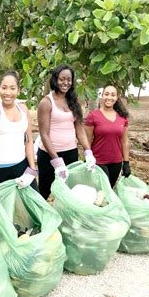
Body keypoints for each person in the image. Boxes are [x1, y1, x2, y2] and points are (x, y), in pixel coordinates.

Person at [37, 64, 96, 200]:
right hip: (49, 156)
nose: (66, 83)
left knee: (68, 192)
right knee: (44, 192)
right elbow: (44, 134)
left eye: (69, 79)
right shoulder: (46, 102)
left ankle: (64, 219)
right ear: (55, 80)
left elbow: (79, 128)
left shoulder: (73, 101)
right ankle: (39, 220)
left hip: (70, 153)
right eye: (62, 79)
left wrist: (88, 151)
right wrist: (57, 161)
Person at [0, 71, 38, 192]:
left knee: (32, 207)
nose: (8, 93)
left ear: (18, 90)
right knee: (1, 210)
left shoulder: (23, 109)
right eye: (4, 88)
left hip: (21, 166)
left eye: (12, 88)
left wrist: (32, 169)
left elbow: (28, 141)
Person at [84, 85, 130, 188]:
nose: (109, 97)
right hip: (98, 161)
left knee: (109, 191)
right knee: (102, 191)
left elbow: (125, 141)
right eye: (106, 94)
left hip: (116, 162)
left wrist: (126, 163)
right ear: (102, 95)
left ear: (117, 97)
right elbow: (87, 140)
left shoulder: (123, 117)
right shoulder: (93, 116)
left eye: (113, 95)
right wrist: (87, 157)